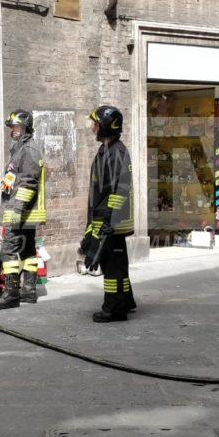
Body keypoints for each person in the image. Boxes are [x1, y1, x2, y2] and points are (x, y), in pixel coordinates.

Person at [81, 105, 136, 322]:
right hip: (105, 220)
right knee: (116, 264)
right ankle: (126, 301)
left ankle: (114, 309)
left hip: (112, 223)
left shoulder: (117, 153)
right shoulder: (106, 151)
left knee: (113, 268)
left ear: (105, 126)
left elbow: (119, 191)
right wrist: (91, 226)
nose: (93, 128)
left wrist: (106, 223)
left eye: (96, 124)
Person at [0, 109, 47, 310]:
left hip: (20, 212)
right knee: (28, 250)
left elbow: (28, 183)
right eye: (11, 127)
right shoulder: (20, 148)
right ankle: (29, 290)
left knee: (8, 250)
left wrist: (16, 209)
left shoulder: (28, 150)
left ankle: (11, 293)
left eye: (15, 126)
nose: (12, 130)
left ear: (25, 127)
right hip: (25, 213)